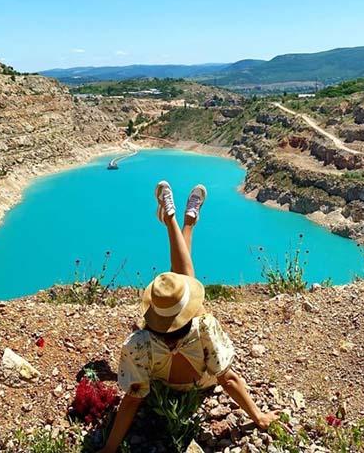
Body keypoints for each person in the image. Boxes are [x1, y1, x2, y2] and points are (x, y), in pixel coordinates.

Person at [98, 181, 281, 453]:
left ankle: (174, 218)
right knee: (184, 279)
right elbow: (227, 378)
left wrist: (109, 448)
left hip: (164, 388)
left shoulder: (137, 343)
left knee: (181, 279)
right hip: (200, 383)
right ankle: (182, 221)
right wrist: (258, 416)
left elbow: (132, 399)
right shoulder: (203, 325)